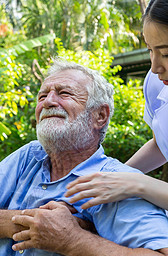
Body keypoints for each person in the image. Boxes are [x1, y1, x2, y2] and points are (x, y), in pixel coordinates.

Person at [0, 59, 168, 256]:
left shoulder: (114, 184)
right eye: (42, 96)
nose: (49, 101)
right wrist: (34, 223)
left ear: (100, 116)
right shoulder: (29, 157)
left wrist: (73, 240)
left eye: (64, 93)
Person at [65, 0, 168, 211]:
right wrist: (111, 178)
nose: (156, 67)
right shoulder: (157, 85)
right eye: (150, 50)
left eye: (166, 54)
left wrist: (138, 183)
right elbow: (161, 144)